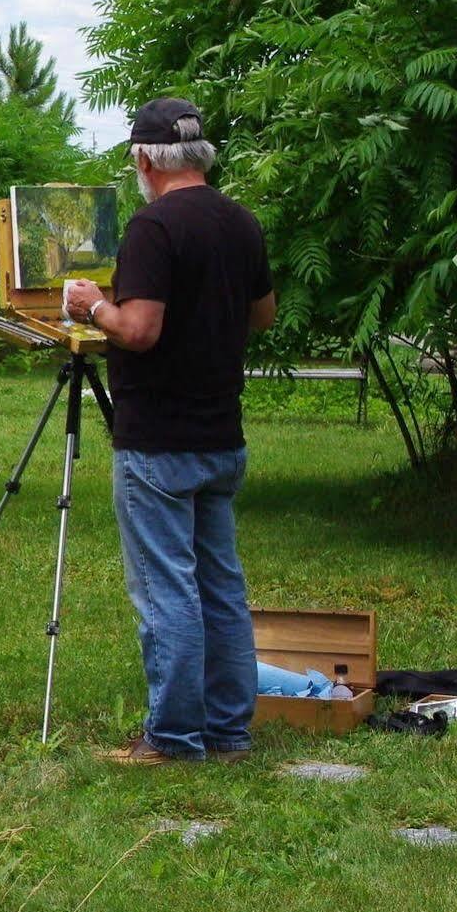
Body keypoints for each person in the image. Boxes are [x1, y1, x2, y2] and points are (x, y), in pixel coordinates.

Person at [65, 97, 276, 765]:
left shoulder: (154, 228)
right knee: (219, 586)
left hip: (157, 438)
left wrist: (91, 304)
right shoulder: (239, 221)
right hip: (220, 432)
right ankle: (228, 731)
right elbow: (262, 315)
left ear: (143, 159)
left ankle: (175, 738)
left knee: (166, 591)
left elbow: (139, 329)